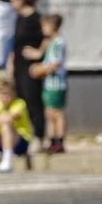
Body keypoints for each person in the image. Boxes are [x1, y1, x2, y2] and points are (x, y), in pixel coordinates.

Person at [7, 0, 46, 144]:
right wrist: (10, 64)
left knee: (33, 100)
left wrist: (39, 53)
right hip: (19, 65)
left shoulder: (36, 18)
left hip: (31, 66)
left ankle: (39, 136)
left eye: (13, 0)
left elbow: (50, 37)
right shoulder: (19, 18)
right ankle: (23, 136)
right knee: (19, 99)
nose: (11, 4)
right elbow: (17, 44)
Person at [28, 13, 68, 152]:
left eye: (45, 25)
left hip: (56, 84)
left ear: (52, 26)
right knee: (49, 114)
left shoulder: (58, 43)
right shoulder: (50, 43)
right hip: (48, 84)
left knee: (57, 113)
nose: (43, 29)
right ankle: (52, 141)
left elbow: (55, 64)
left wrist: (39, 70)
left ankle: (59, 141)